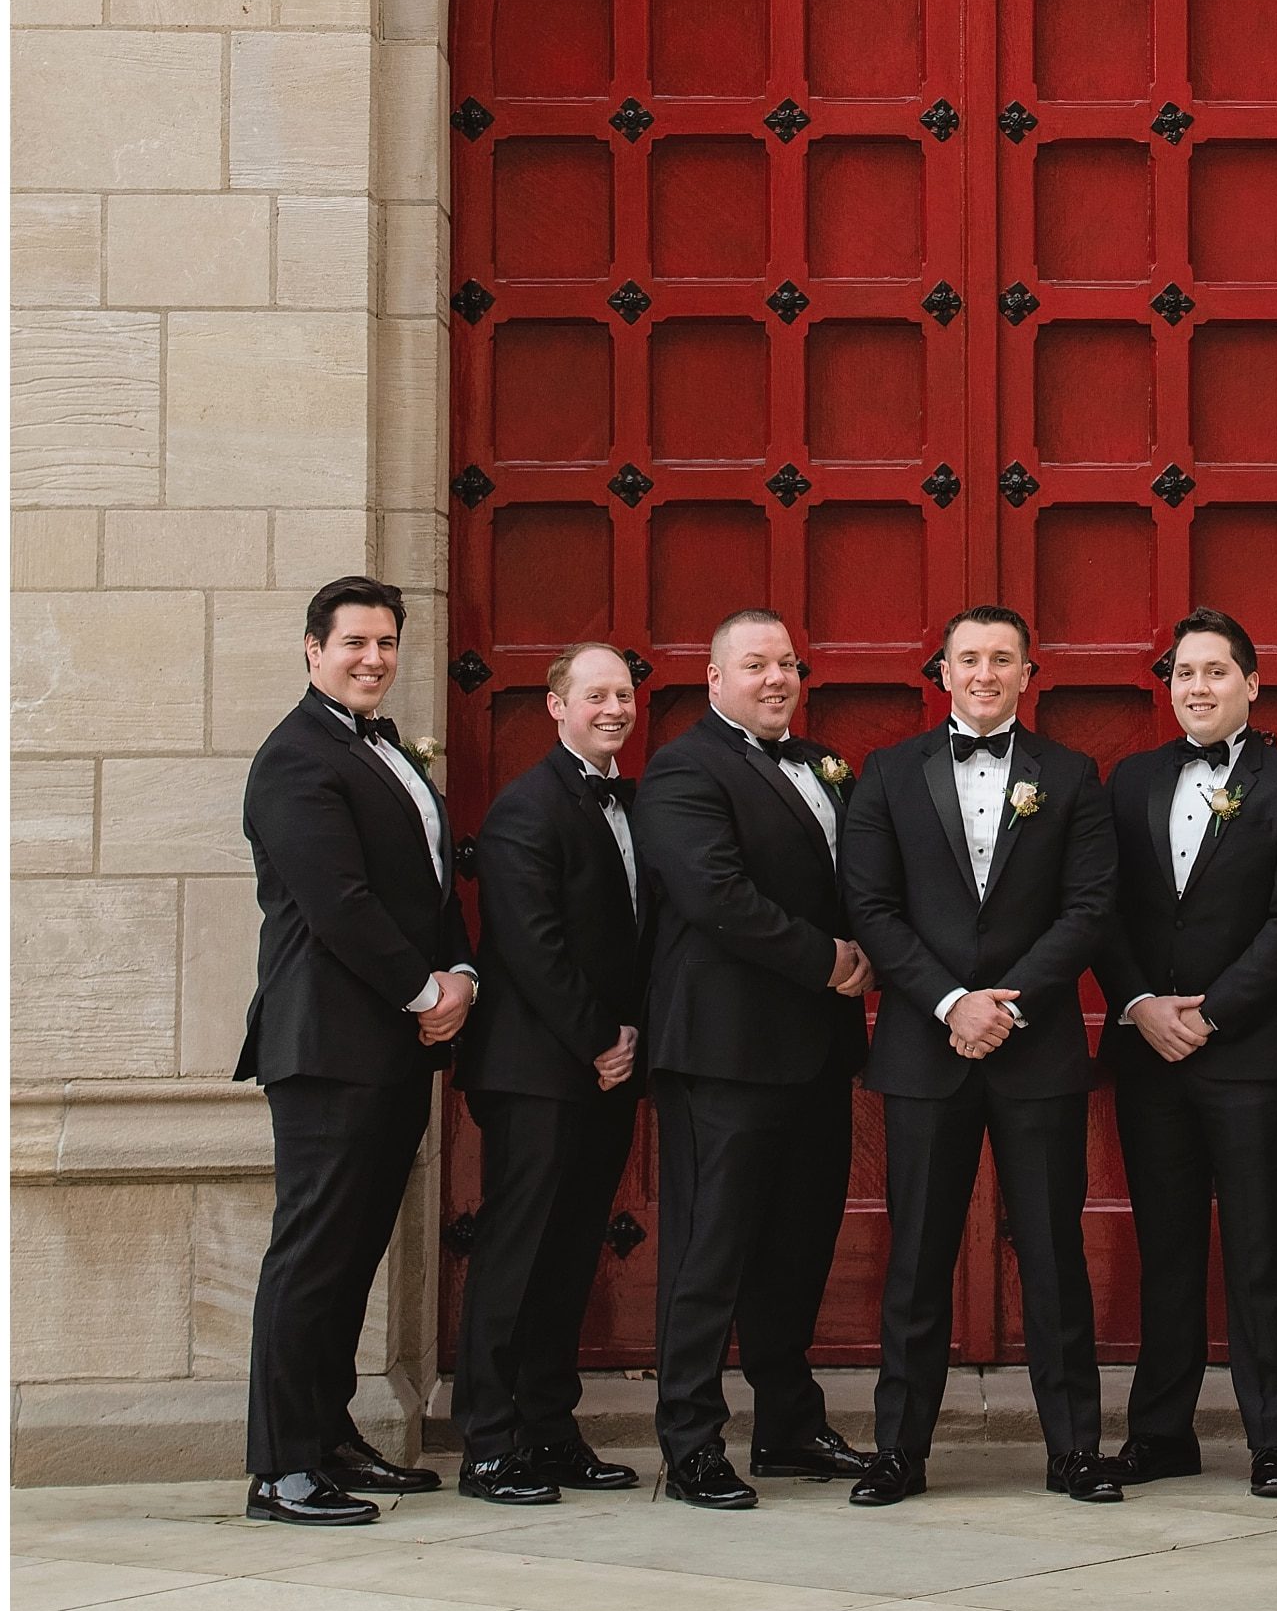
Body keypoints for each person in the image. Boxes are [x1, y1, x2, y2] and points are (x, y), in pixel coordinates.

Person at [840, 606, 1120, 1506]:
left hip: (1035, 1052)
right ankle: (899, 1450)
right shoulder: (887, 773)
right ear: (944, 671)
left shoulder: (1072, 776)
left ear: (1028, 674)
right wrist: (952, 1002)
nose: (985, 672)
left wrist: (1011, 1003)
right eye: (970, 658)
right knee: (917, 1256)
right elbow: (872, 905)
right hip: (927, 1046)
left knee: (1052, 1253)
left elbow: (1088, 907)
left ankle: (1075, 1448)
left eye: (1003, 659)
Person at [238, 577, 475, 1525]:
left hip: (392, 1043)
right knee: (310, 1253)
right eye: (354, 643)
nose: (373, 657)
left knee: (352, 1252)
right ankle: (280, 1465)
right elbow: (340, 904)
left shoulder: (390, 753)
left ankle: (329, 1437)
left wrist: (459, 969)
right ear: (311, 647)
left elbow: (425, 885)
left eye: (386, 642)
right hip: (327, 1043)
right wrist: (426, 992)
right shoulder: (294, 758)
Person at [632, 611, 872, 1508]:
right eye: (755, 664)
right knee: (710, 1250)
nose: (776, 678)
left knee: (797, 1246)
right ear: (713, 676)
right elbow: (715, 893)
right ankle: (690, 1439)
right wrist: (829, 958)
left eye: (786, 663)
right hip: (726, 1051)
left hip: (814, 1050)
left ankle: (787, 1424)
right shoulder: (684, 769)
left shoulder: (820, 764)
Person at [1099, 610, 1277, 1498]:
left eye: (1215, 672)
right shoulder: (1129, 781)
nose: (1197, 687)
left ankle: (1273, 1436)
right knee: (1165, 1250)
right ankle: (1161, 1431)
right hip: (1150, 1053)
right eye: (1184, 673)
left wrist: (1215, 1012)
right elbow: (1101, 907)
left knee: (1257, 1249)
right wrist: (1139, 1006)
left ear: (1251, 684)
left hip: (1249, 1058)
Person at [450, 642, 649, 1505]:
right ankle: (489, 1444)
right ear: (556, 706)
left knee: (570, 1255)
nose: (613, 707)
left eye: (623, 693)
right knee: (516, 1253)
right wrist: (598, 1037)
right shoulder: (527, 807)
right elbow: (531, 944)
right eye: (594, 694)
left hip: (606, 1065)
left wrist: (628, 1039)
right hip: (538, 1066)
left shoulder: (629, 802)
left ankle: (549, 1428)